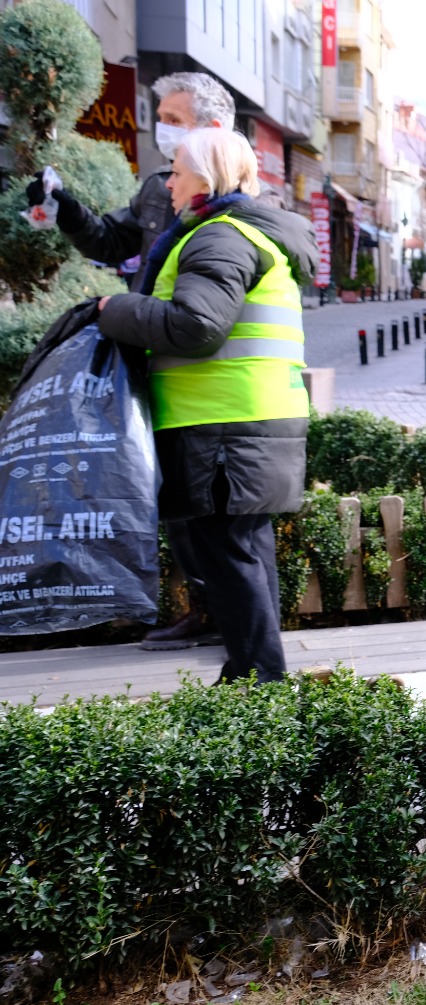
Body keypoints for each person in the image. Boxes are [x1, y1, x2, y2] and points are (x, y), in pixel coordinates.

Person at [95, 128, 317, 686]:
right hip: (246, 419)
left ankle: (256, 685)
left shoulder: (218, 237)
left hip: (223, 425)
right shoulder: (245, 233)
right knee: (243, 553)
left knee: (229, 558)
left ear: (208, 175)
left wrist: (115, 309)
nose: (168, 182)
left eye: (177, 169)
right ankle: (256, 679)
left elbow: (196, 326)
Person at [26, 71, 237, 652]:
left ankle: (228, 616)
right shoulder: (157, 189)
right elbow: (109, 241)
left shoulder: (235, 200)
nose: (161, 128)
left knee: (207, 502)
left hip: (203, 364)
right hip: (147, 352)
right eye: (160, 116)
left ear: (210, 127)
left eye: (173, 118)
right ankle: (199, 606)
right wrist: (64, 205)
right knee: (164, 490)